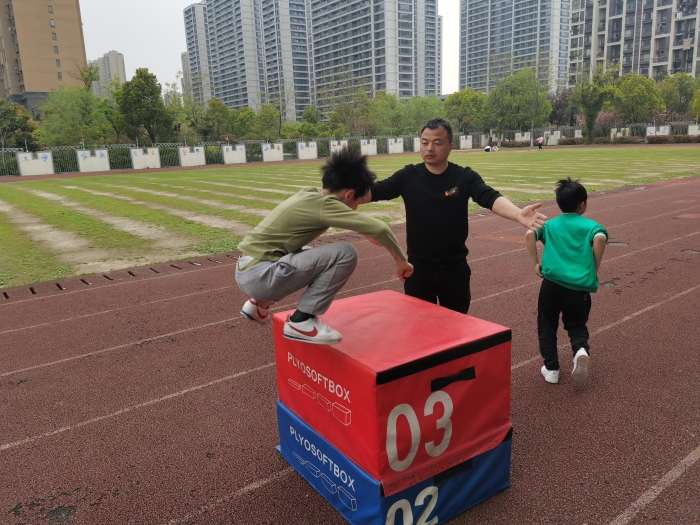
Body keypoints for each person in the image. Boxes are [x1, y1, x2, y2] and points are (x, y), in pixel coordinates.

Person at [236, 147, 413, 345]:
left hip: (248, 268)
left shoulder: (310, 195)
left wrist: (365, 232)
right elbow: (381, 228)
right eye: (358, 202)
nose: (355, 209)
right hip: (259, 277)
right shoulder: (325, 205)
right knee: (345, 253)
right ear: (349, 194)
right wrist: (401, 261)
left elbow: (355, 223)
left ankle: (258, 305)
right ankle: (301, 321)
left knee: (308, 253)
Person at [370, 118, 546, 314]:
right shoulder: (408, 176)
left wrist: (517, 213)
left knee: (458, 325)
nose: (429, 148)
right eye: (424, 142)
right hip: (418, 269)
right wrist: (349, 200)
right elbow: (374, 191)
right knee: (419, 325)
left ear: (450, 147)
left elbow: (489, 196)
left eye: (437, 142)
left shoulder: (464, 177)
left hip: (454, 270)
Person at [524, 178, 608, 384]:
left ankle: (551, 369)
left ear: (559, 203)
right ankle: (580, 350)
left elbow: (529, 234)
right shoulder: (592, 226)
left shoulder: (550, 225)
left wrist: (535, 263)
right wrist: (594, 267)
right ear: (582, 204)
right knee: (577, 324)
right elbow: (600, 238)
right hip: (578, 288)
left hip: (551, 284)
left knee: (547, 324)